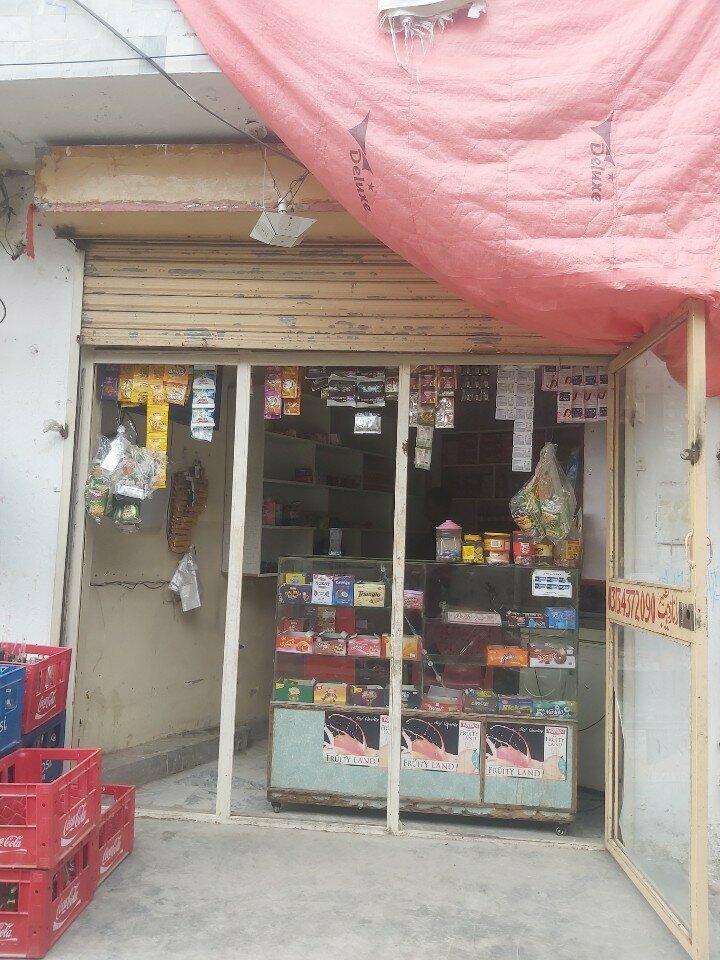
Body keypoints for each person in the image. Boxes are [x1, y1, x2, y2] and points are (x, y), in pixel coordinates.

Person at [407, 486, 452, 559]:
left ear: (441, 507)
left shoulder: (447, 531)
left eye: (429, 507)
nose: (425, 511)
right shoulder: (434, 527)